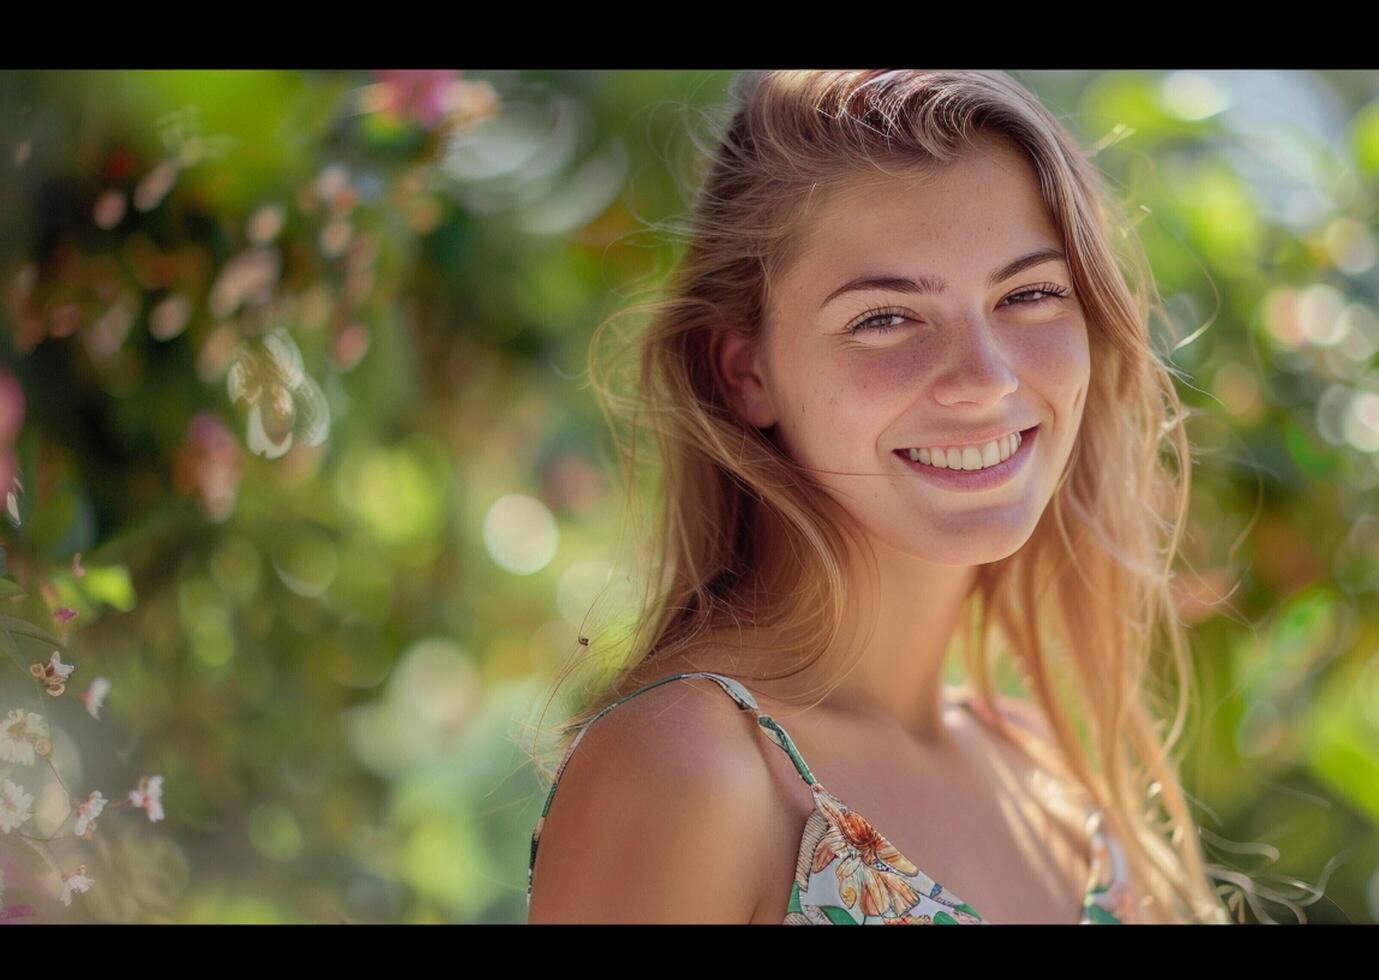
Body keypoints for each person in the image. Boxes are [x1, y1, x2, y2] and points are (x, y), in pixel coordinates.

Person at [525, 69, 1233, 925]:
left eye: (1029, 294)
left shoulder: (1048, 777)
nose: (984, 379)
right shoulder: (690, 766)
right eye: (885, 317)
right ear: (748, 372)